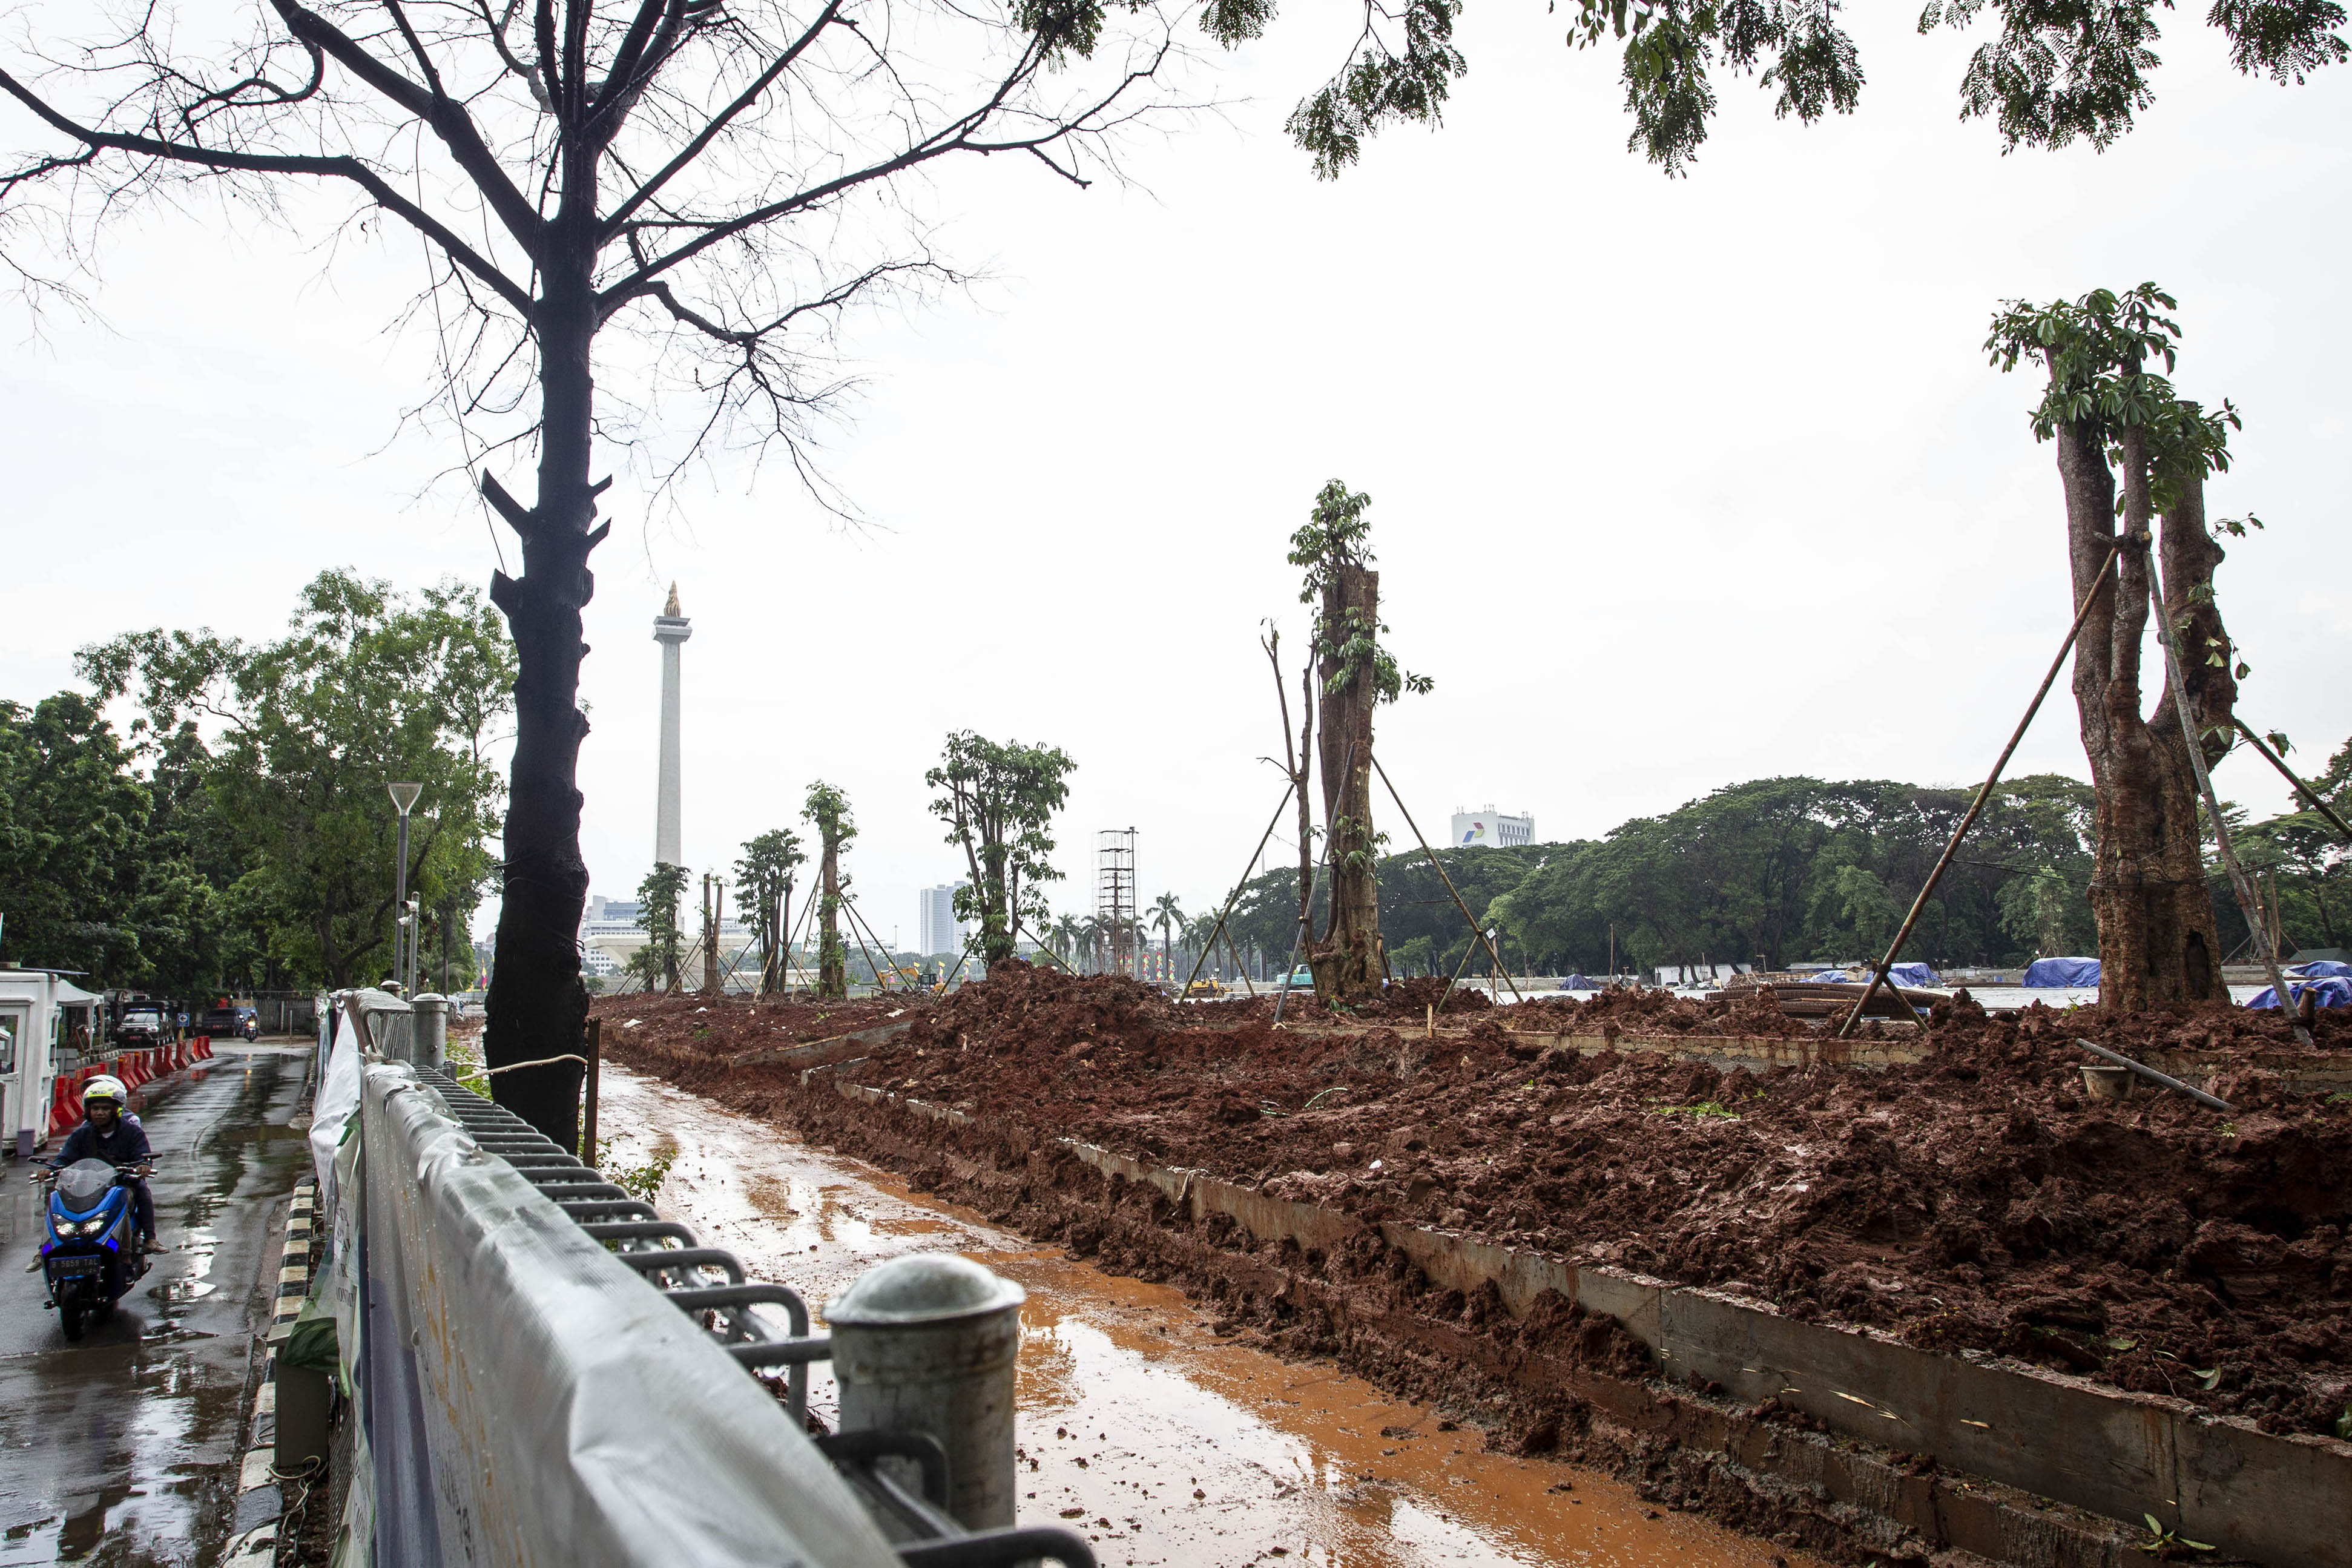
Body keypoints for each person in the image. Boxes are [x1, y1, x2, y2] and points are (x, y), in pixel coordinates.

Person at [39, 1076, 156, 1248]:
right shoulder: (81, 1135)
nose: (99, 1113)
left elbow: (142, 1155)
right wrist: (50, 1170)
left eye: (105, 1109)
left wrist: (143, 1166)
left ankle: (150, 1239)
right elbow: (65, 1158)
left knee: (142, 1191)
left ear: (116, 1110)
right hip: (88, 1185)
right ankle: (44, 1248)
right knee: (55, 1199)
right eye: (95, 1108)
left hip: (122, 1182)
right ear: (88, 1111)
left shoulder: (132, 1132)